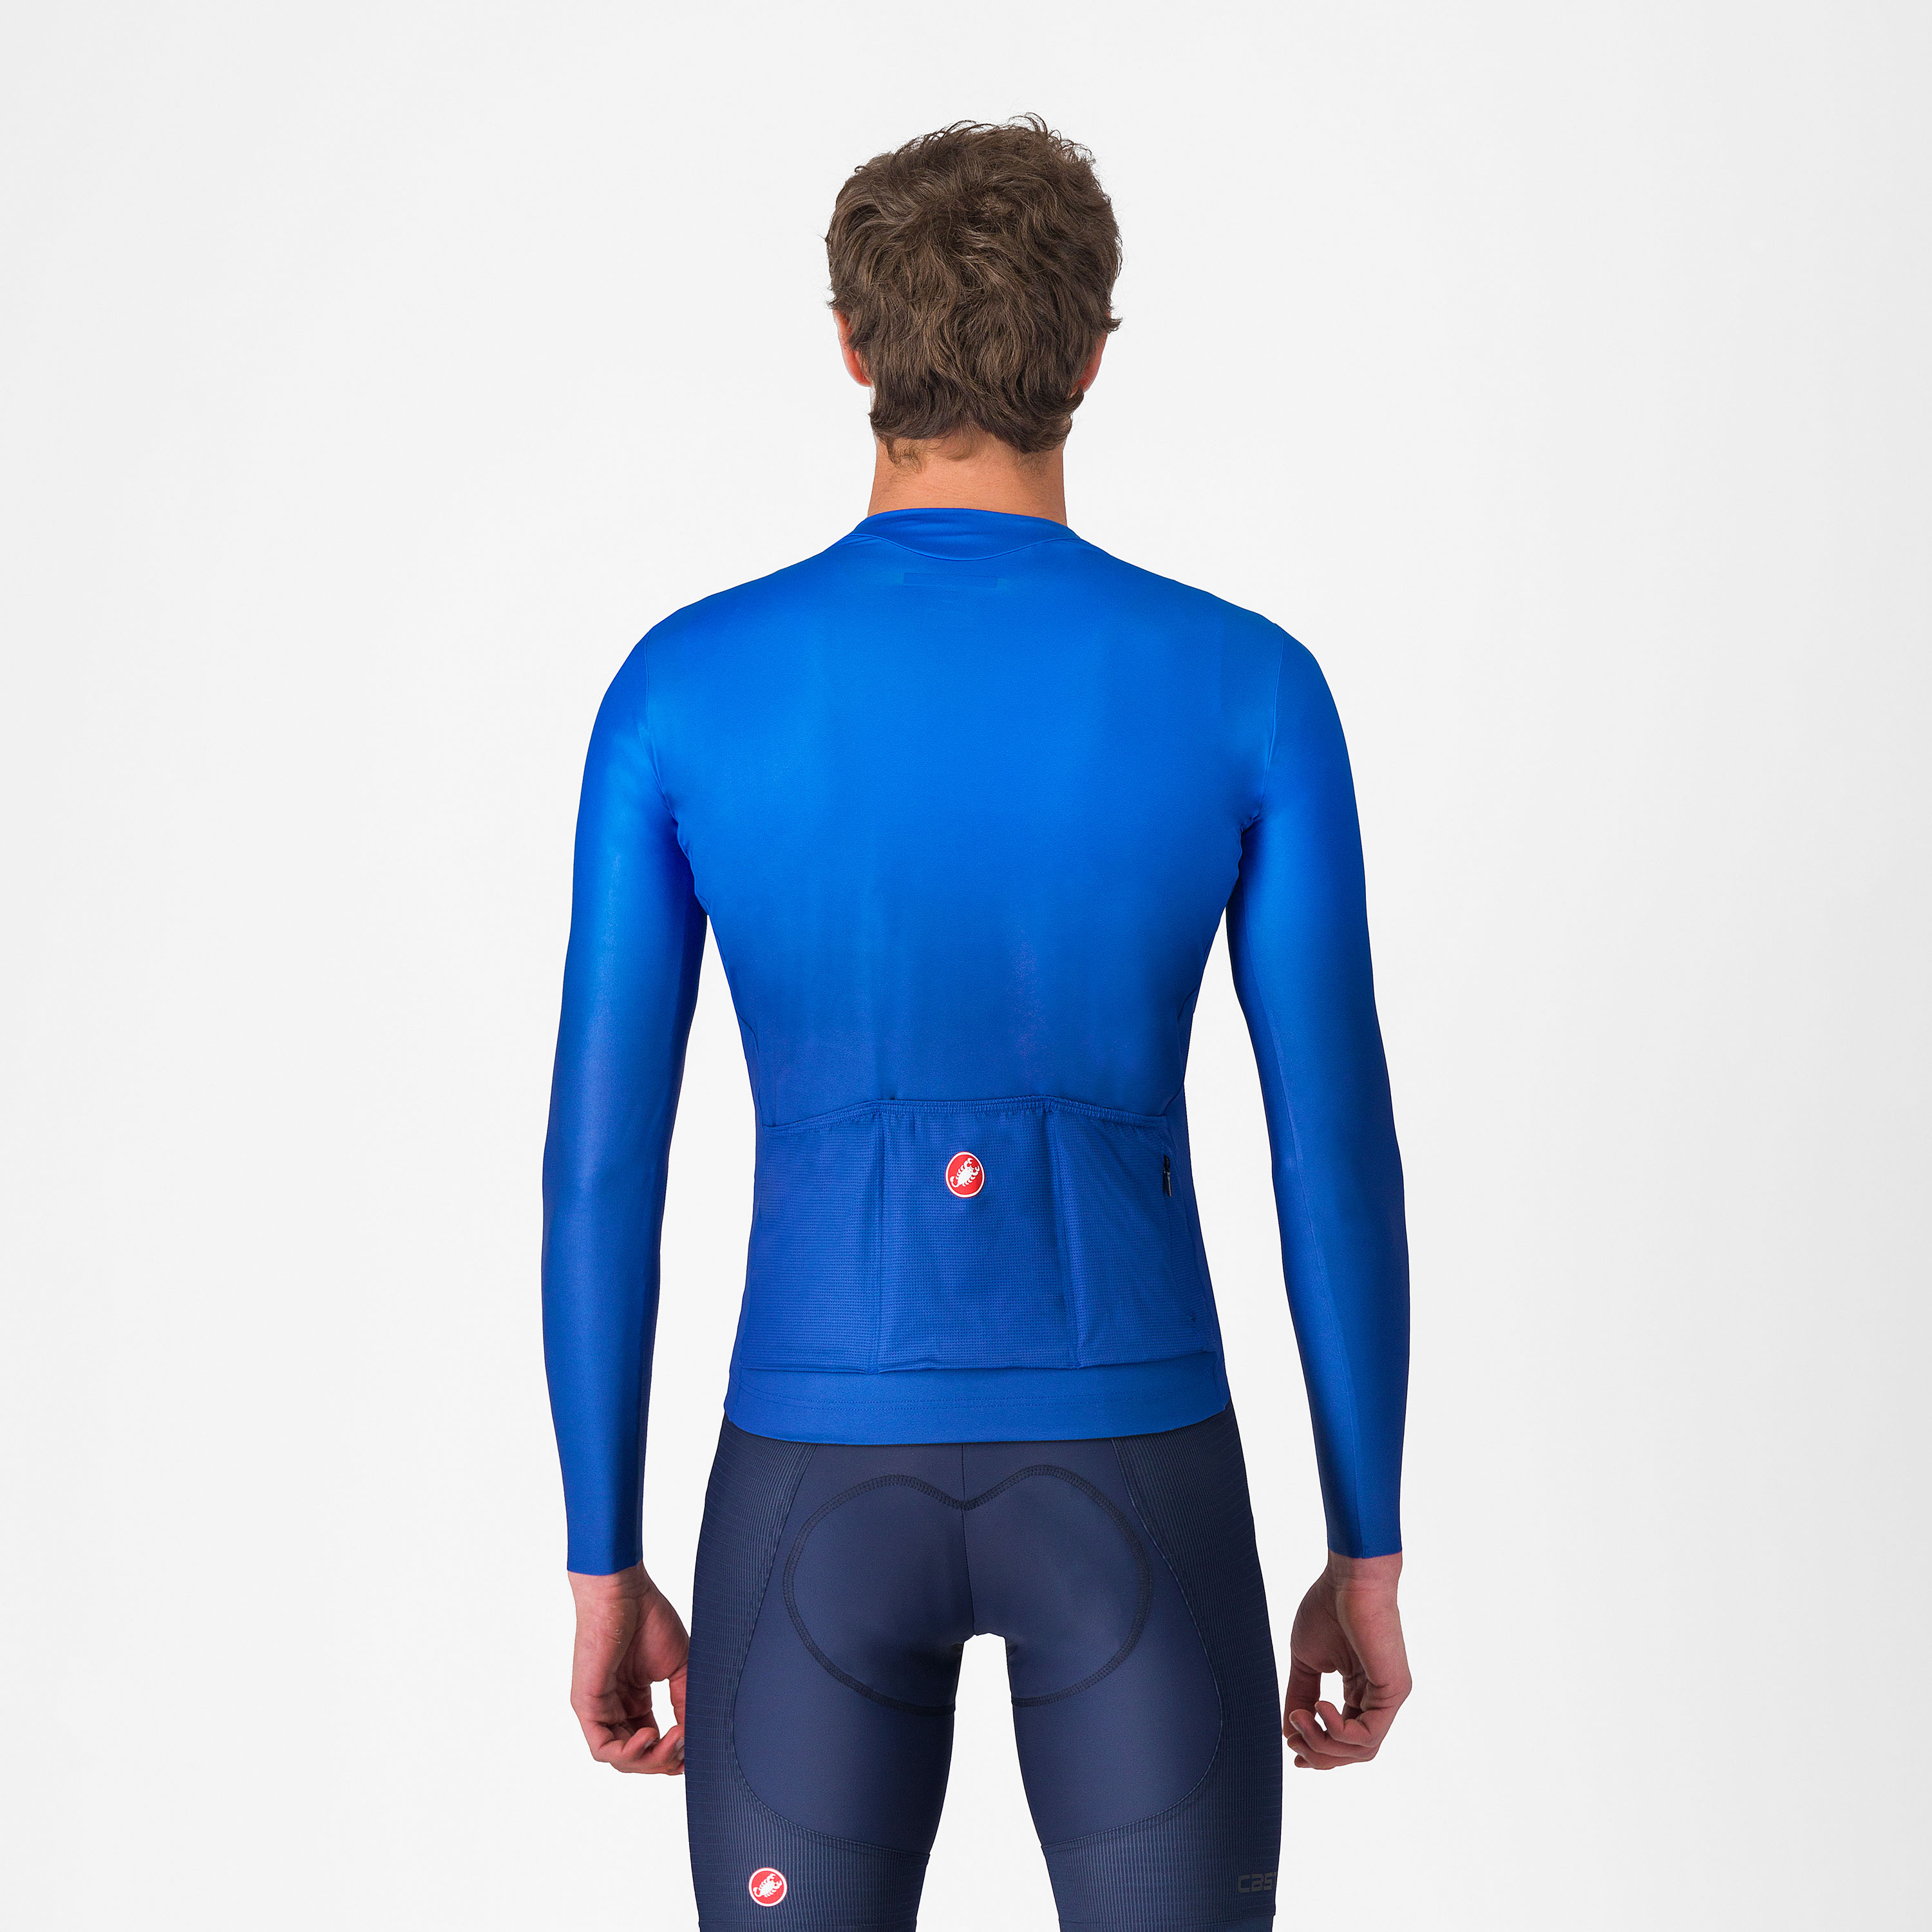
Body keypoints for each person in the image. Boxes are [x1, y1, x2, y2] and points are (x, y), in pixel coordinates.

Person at [543, 118, 1412, 1931]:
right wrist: (1366, 1542)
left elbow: (604, 1168)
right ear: (1091, 356)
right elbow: (1331, 1146)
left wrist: (602, 1554)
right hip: (1142, 1468)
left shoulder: (681, 688)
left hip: (807, 1472)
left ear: (852, 346)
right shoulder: (1251, 686)